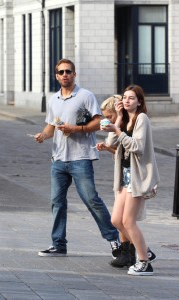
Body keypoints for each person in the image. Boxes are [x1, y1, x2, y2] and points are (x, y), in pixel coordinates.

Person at [34, 58, 120, 257]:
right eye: (61, 72)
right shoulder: (54, 99)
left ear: (74, 74)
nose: (65, 75)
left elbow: (99, 122)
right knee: (57, 202)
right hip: (58, 159)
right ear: (56, 76)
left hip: (81, 157)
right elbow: (51, 126)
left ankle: (114, 239)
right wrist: (43, 136)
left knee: (91, 199)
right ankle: (58, 244)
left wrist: (76, 128)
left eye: (68, 71)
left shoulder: (85, 96)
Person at [101, 85, 160, 275]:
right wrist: (117, 120)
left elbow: (137, 147)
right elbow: (111, 143)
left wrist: (118, 132)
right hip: (124, 177)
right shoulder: (124, 119)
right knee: (116, 220)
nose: (126, 101)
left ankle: (144, 262)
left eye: (131, 98)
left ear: (139, 102)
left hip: (137, 177)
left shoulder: (141, 119)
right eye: (125, 97)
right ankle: (145, 250)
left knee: (128, 221)